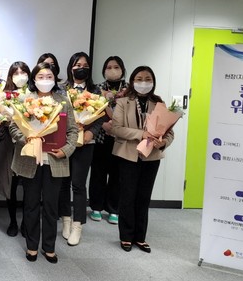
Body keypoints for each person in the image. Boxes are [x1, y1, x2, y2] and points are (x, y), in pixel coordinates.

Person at [10, 62, 78, 263]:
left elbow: (73, 130)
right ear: (34, 79)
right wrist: (27, 140)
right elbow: (13, 127)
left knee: (51, 206)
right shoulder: (24, 99)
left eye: (49, 76)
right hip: (31, 159)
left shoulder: (63, 101)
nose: (45, 80)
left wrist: (66, 150)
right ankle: (32, 246)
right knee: (30, 204)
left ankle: (49, 247)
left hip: (54, 160)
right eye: (41, 76)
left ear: (55, 78)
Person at [110, 66, 174, 253]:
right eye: (139, 79)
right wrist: (141, 134)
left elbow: (170, 132)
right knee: (127, 196)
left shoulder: (159, 103)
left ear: (153, 82)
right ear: (132, 81)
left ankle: (140, 237)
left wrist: (163, 142)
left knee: (144, 197)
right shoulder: (123, 102)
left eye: (148, 79)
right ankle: (126, 236)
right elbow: (116, 128)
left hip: (151, 156)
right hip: (128, 154)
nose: (143, 83)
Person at [59, 52, 104, 246]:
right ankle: (66, 220)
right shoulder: (62, 89)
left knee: (78, 184)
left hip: (86, 143)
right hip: (64, 142)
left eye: (85, 65)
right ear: (71, 67)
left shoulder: (96, 90)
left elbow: (101, 116)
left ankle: (78, 225)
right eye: (78, 65)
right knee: (63, 182)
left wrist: (91, 133)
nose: (81, 68)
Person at [89, 56, 128, 225]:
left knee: (117, 175)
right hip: (101, 136)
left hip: (121, 139)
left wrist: (118, 126)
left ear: (122, 70)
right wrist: (103, 124)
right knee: (98, 173)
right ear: (104, 70)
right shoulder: (97, 88)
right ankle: (96, 207)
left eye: (116, 67)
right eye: (109, 67)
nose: (112, 70)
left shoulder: (129, 90)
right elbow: (91, 111)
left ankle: (114, 209)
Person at [0, 61, 31, 237]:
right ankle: (12, 221)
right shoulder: (2, 95)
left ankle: (26, 222)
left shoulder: (34, 95)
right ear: (10, 76)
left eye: (23, 72)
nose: (20, 76)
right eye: (16, 73)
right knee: (11, 183)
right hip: (8, 143)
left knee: (28, 185)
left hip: (28, 143)